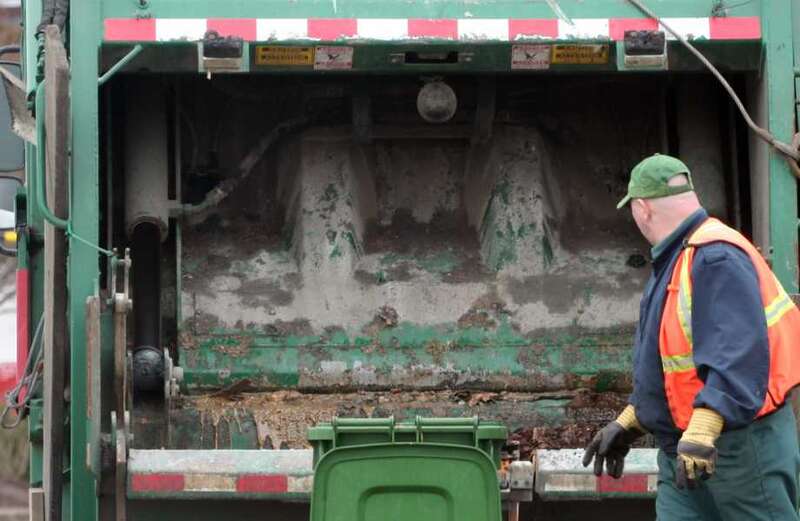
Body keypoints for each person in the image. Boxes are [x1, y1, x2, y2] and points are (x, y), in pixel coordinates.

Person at [582, 154, 800, 520]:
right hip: (686, 454)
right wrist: (632, 420)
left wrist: (703, 429)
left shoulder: (714, 257)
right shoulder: (679, 257)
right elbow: (675, 361)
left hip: (737, 451)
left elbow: (738, 355)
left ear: (642, 209)